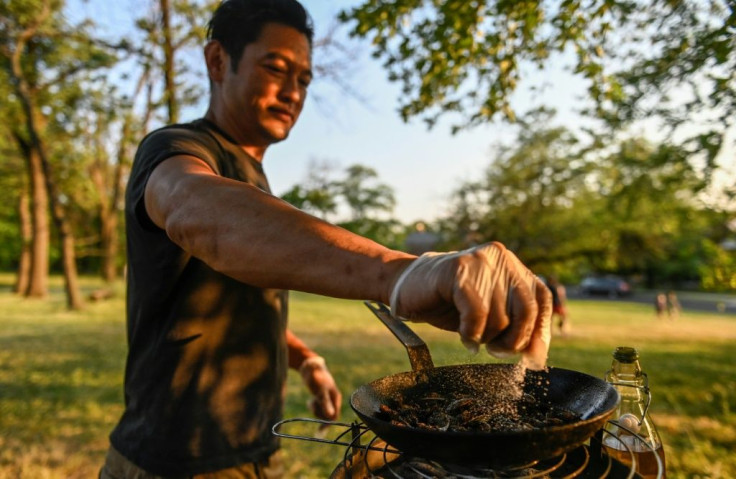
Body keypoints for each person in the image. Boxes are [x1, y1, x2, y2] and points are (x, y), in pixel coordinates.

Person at [100, 0, 553, 477]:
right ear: (217, 61)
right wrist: (398, 272)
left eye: (304, 79)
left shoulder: (254, 182)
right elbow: (193, 209)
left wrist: (304, 357)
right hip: (172, 461)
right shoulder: (176, 149)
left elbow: (231, 301)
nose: (292, 92)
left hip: (250, 450)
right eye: (275, 68)